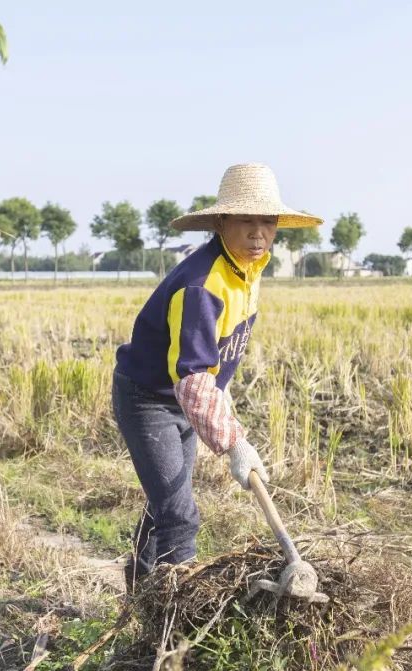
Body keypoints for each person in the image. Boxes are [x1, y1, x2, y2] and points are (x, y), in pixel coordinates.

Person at [112, 162, 322, 590]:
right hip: (149, 399)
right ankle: (177, 609)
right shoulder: (202, 285)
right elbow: (191, 377)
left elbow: (216, 357)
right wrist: (234, 443)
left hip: (182, 400)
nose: (258, 233)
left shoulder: (246, 271)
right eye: (246, 221)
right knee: (180, 515)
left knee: (166, 498)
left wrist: (221, 401)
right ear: (222, 222)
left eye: (268, 222)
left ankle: (138, 592)